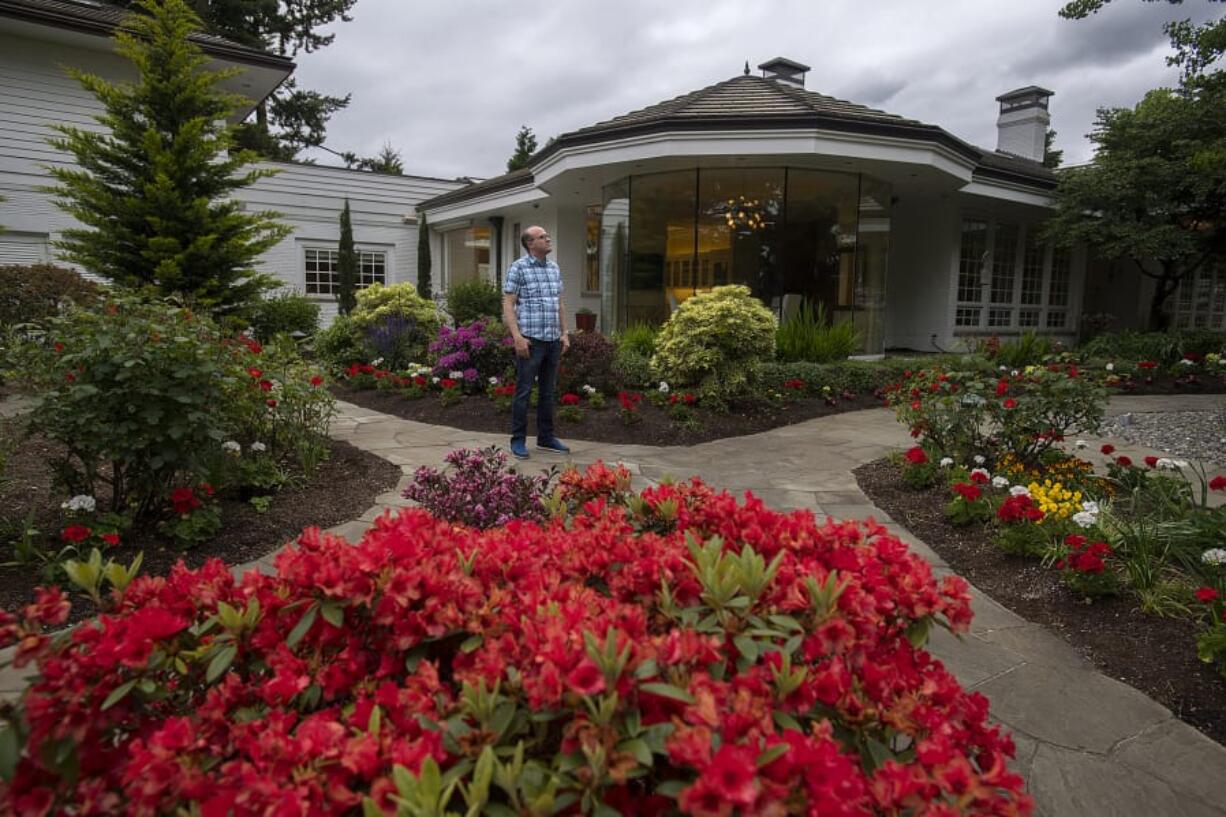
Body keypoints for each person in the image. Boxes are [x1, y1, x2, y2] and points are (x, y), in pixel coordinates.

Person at [502, 225, 570, 459]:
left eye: (547, 235)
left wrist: (565, 333)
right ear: (530, 244)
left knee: (548, 393)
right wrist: (517, 337)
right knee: (523, 392)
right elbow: (508, 304)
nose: (548, 239)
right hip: (531, 341)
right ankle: (518, 440)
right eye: (542, 237)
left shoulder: (554, 268)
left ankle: (546, 438)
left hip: (552, 341)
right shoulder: (518, 268)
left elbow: (559, 303)